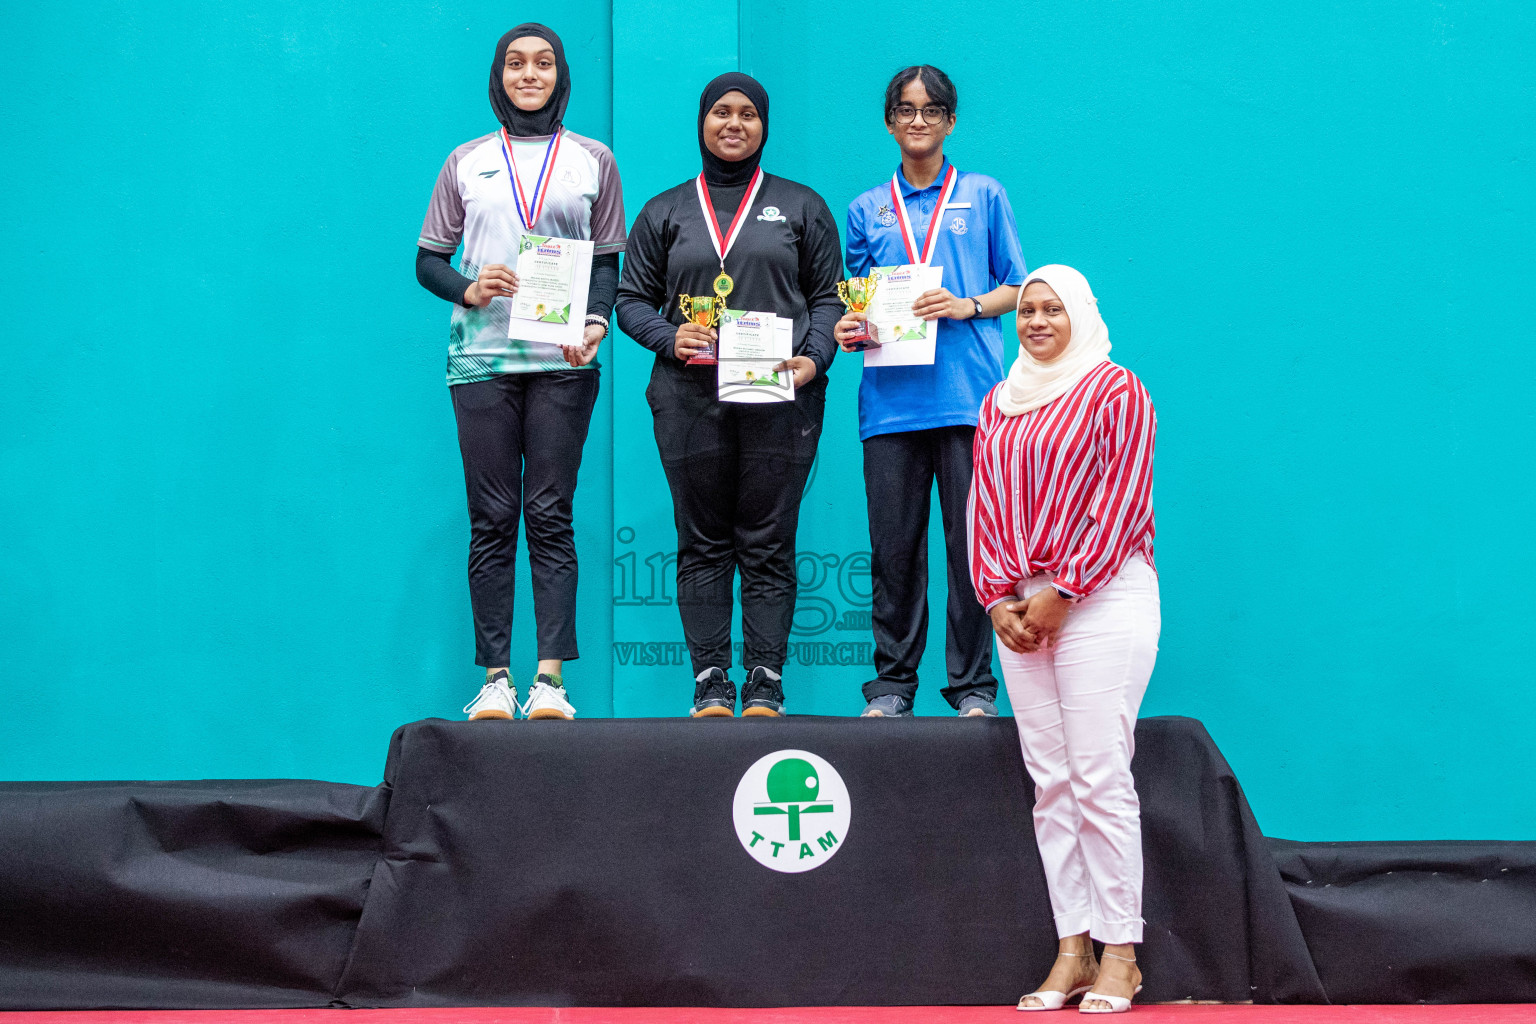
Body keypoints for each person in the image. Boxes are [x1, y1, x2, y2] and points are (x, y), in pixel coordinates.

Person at [415, 24, 626, 721]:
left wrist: (596, 325)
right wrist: (468, 289)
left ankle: (551, 681)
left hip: (563, 362)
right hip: (481, 361)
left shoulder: (593, 159)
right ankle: (496, 679)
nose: (529, 74)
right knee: (493, 517)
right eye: (516, 63)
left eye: (542, 64)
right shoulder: (466, 161)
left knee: (550, 514)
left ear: (560, 75)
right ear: (499, 76)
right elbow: (429, 260)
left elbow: (605, 265)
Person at [616, 73, 843, 718]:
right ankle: (710, 680)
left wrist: (812, 359)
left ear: (765, 126)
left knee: (769, 539)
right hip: (689, 393)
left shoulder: (800, 205)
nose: (734, 124)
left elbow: (829, 297)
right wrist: (667, 335)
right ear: (702, 123)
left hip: (783, 394)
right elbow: (630, 299)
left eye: (748, 114)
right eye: (721, 112)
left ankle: (766, 680)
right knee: (704, 539)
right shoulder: (665, 210)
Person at [968, 265, 1157, 1013]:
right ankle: (1072, 948)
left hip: (1103, 601)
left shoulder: (1117, 390)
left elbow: (1121, 499)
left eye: (1053, 309)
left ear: (1081, 313)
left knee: (1100, 777)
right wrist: (994, 598)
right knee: (1051, 783)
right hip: (1019, 610)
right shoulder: (999, 401)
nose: (1037, 321)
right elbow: (981, 505)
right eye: (1029, 310)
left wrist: (1063, 591)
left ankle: (1122, 953)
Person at [833, 65, 1026, 718]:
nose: (918, 120)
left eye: (931, 109)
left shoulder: (984, 194)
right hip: (889, 406)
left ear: (950, 120)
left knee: (969, 552)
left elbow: (1018, 287)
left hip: (969, 401)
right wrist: (851, 327)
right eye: (905, 110)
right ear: (889, 121)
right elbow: (855, 301)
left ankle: (973, 690)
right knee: (893, 556)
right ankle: (891, 687)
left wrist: (967, 305)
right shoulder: (866, 208)